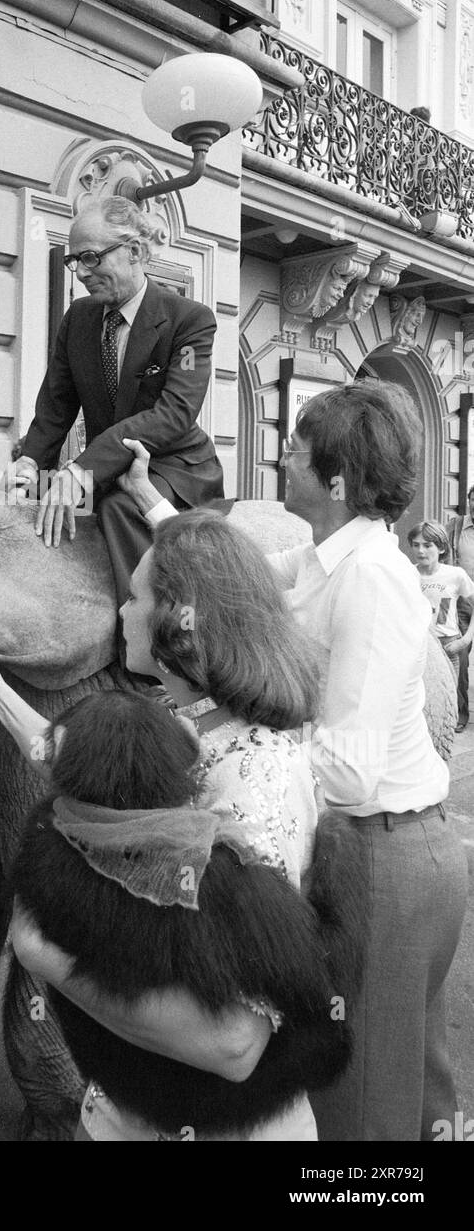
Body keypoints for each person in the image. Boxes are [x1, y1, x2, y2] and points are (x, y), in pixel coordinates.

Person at [0, 505, 327, 1140]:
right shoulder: (183, 719)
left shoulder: (256, 781)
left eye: (135, 596)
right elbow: (74, 764)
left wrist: (47, 957)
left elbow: (234, 1042)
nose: (121, 611)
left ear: (179, 620)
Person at [9, 688, 368, 1142]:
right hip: (227, 1108)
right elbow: (316, 989)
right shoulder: (219, 879)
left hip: (120, 1084)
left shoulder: (43, 839)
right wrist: (340, 848)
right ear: (188, 767)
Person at [268, 380, 466, 1142]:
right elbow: (256, 574)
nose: (282, 457)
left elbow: (345, 772)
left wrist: (241, 758)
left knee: (360, 1123)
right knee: (413, 1102)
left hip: (384, 861)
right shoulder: (329, 557)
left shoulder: (372, 579)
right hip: (383, 854)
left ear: (336, 482)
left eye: (295, 447)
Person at [1, 196, 223, 607]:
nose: (82, 273)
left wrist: (82, 470)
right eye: (74, 262)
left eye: (91, 258)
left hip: (172, 467)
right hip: (101, 465)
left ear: (134, 252)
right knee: (19, 502)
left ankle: (148, 644)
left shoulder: (190, 320)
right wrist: (30, 463)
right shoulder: (78, 318)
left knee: (121, 507)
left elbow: (174, 414)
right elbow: (56, 405)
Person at [408, 521, 474, 705]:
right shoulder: (408, 574)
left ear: (441, 548)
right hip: (418, 644)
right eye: (416, 545)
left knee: (448, 699)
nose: (421, 551)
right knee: (420, 701)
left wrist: (466, 639)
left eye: (427, 545)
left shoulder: (455, 575)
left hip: (448, 643)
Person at [448, 487, 474, 731]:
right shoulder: (455, 526)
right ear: (468, 501)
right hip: (463, 603)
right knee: (461, 659)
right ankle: (459, 712)